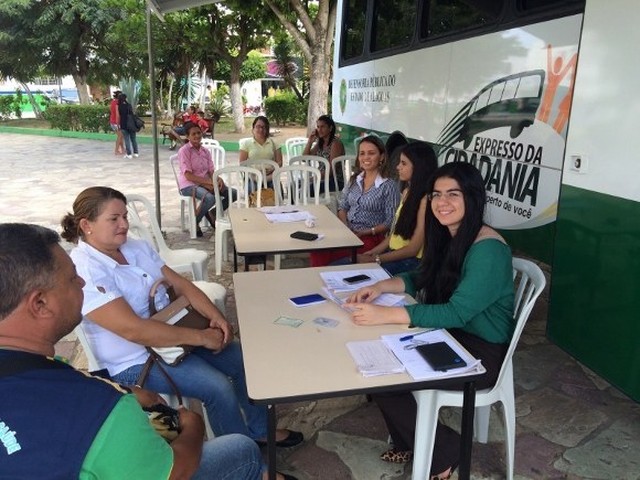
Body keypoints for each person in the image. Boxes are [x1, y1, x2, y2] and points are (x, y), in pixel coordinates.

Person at [0, 223, 264, 480]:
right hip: (140, 361)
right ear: (40, 303)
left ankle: (260, 430)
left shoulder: (41, 370)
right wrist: (192, 428)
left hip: (165, 346)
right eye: (71, 278)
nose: (80, 282)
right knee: (241, 450)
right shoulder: (102, 410)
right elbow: (175, 471)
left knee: (236, 358)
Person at [60, 187, 303, 452]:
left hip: (177, 336)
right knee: (217, 388)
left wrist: (216, 318)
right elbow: (134, 331)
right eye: (114, 219)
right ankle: (245, 459)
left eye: (125, 216)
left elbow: (181, 285)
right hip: (136, 358)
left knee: (243, 360)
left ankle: (258, 431)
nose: (125, 224)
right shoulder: (87, 270)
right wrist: (201, 338)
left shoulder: (135, 247)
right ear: (87, 225)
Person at [345, 162, 515, 479]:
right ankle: (414, 441)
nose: (442, 202)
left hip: (479, 354)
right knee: (379, 364)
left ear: (473, 197)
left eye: (453, 194)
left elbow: (456, 312)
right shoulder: (450, 235)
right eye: (436, 194)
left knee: (386, 379)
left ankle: (444, 450)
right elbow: (421, 276)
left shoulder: (488, 249)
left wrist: (388, 314)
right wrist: (378, 287)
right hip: (452, 336)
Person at [310, 135, 400, 267]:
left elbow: (390, 221)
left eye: (371, 153)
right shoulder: (355, 179)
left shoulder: (388, 185)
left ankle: (331, 281)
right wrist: (346, 227)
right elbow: (342, 206)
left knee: (335, 258)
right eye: (362, 153)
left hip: (371, 238)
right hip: (347, 232)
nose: (366, 157)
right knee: (318, 249)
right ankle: (320, 283)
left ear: (381, 157)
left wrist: (365, 232)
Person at [355, 142, 438, 275]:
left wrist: (376, 259)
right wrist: (374, 252)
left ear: (419, 167)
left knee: (355, 273)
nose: (398, 167)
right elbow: (395, 234)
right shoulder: (407, 192)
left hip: (410, 263)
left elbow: (413, 249)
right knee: (344, 264)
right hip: (393, 254)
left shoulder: (426, 200)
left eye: (404, 163)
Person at [178, 122, 234, 238]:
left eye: (199, 133)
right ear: (188, 137)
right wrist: (209, 183)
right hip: (188, 185)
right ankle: (194, 222)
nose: (197, 136)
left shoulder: (205, 151)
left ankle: (212, 213)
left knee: (233, 193)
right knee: (209, 198)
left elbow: (211, 172)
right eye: (193, 134)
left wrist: (218, 180)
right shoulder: (184, 151)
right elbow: (188, 176)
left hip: (205, 182)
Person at [302, 115, 346, 191]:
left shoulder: (335, 144)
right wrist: (310, 142)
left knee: (305, 190)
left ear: (330, 128)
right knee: (293, 186)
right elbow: (305, 159)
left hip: (335, 181)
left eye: (322, 127)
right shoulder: (321, 143)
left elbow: (330, 172)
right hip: (321, 178)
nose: (319, 130)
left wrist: (314, 178)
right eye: (318, 127)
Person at [239, 116, 283, 184]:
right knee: (253, 192)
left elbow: (279, 163)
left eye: (264, 127)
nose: (261, 129)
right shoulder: (246, 144)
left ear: (267, 129)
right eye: (258, 126)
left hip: (270, 176)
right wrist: (254, 173)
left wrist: (272, 169)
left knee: (275, 192)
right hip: (252, 177)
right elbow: (242, 164)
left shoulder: (274, 143)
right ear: (253, 129)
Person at [118, 93, 139, 159]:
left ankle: (129, 154)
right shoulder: (129, 105)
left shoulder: (119, 106)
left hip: (123, 125)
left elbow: (119, 116)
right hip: (131, 124)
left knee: (127, 140)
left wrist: (118, 125)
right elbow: (132, 113)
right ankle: (136, 153)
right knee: (133, 139)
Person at [109, 90, 124, 156]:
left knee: (120, 136)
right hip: (116, 122)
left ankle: (122, 149)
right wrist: (118, 123)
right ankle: (116, 150)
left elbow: (111, 111)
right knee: (120, 136)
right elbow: (118, 114)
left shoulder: (112, 102)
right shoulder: (118, 103)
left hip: (112, 121)